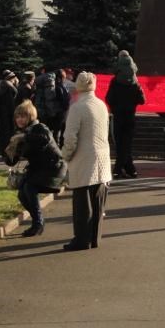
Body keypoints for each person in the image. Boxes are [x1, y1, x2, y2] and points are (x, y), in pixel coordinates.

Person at [61, 72, 113, 250]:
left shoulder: (77, 107)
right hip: (102, 157)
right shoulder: (101, 105)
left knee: (82, 203)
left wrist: (65, 156)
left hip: (83, 158)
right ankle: (95, 237)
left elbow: (70, 137)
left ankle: (81, 240)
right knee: (98, 200)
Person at [4, 100, 66, 236]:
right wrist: (9, 151)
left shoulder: (39, 128)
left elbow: (43, 139)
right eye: (17, 117)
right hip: (39, 169)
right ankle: (38, 221)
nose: (19, 119)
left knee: (29, 187)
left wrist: (23, 137)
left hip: (53, 167)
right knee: (22, 194)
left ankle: (37, 224)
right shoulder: (21, 133)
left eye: (23, 116)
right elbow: (12, 161)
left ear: (31, 116)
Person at [106, 52, 146, 179]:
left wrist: (115, 107)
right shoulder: (135, 83)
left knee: (120, 143)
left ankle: (119, 170)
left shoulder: (115, 81)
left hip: (118, 116)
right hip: (130, 116)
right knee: (127, 143)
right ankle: (130, 169)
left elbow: (109, 98)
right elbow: (142, 100)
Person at [0, 70, 19, 155]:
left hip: (3, 113)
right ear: (10, 79)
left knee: (3, 132)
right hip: (8, 113)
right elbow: (10, 103)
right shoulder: (9, 89)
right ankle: (7, 149)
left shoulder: (2, 86)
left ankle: (2, 148)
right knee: (8, 132)